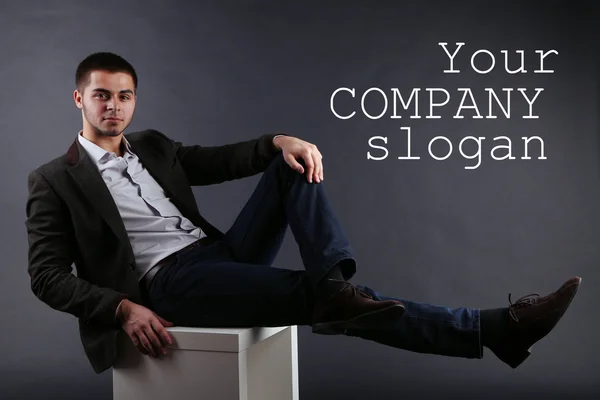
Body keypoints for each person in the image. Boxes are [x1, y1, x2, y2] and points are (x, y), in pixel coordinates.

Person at [25, 52, 581, 375]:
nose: (113, 107)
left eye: (124, 96)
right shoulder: (53, 179)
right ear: (79, 99)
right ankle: (491, 329)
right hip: (167, 283)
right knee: (310, 298)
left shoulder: (151, 144)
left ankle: (336, 286)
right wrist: (121, 308)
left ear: (134, 100)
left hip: (218, 256)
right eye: (101, 96)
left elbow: (221, 160)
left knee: (290, 165)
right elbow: (46, 277)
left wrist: (279, 139)